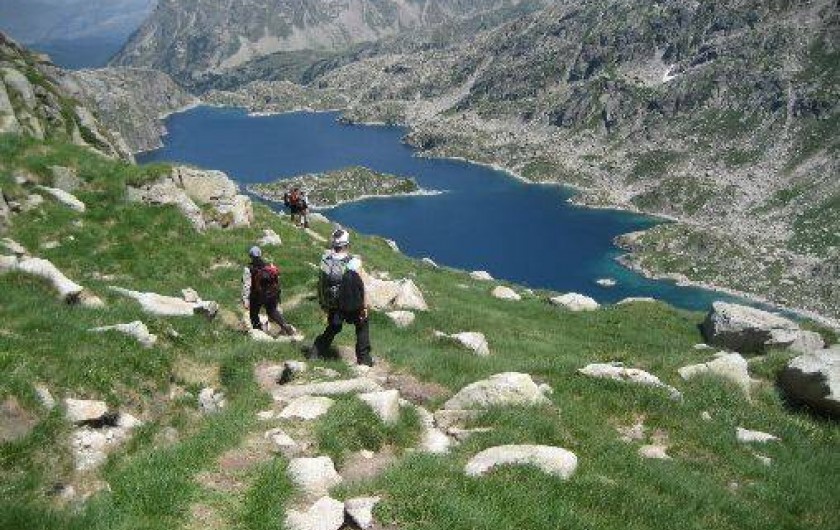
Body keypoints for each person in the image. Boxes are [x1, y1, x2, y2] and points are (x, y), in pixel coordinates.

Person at [305, 229, 373, 366]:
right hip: (351, 304)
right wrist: (364, 306)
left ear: (333, 244)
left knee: (335, 327)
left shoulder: (325, 260)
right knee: (362, 325)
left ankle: (316, 350)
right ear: (347, 244)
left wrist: (323, 304)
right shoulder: (354, 262)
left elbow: (321, 283)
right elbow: (361, 286)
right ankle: (364, 359)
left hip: (333, 304)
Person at [241, 246, 297, 336]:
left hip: (258, 295)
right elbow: (276, 279)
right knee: (272, 311)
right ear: (260, 254)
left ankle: (258, 332)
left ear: (250, 256)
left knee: (253, 313)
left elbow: (246, 286)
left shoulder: (248, 268)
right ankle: (285, 325)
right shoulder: (269, 266)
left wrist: (245, 300)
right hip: (272, 293)